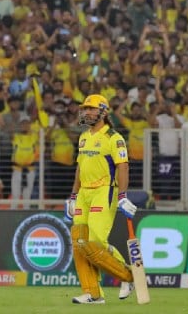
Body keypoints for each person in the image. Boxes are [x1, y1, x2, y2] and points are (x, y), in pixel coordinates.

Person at [64, 94, 136, 304]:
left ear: (103, 112)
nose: (86, 112)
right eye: (84, 109)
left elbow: (123, 167)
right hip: (84, 193)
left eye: (91, 109)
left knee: (94, 242)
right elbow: (80, 167)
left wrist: (122, 196)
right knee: (79, 242)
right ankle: (93, 294)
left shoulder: (114, 138)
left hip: (105, 191)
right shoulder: (84, 136)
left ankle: (128, 276)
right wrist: (73, 196)